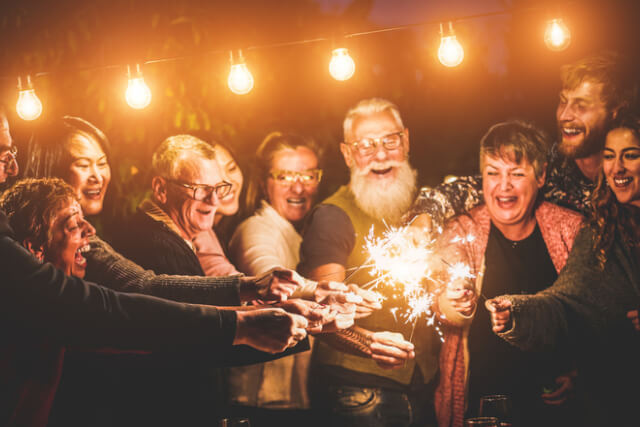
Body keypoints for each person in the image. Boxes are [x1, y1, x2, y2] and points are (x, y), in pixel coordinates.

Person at [0, 112, 311, 426]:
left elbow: (146, 295)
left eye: (102, 161)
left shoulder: (91, 243)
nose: (12, 167)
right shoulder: (147, 244)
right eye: (83, 164)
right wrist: (250, 320)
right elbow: (131, 314)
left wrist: (266, 303)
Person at [486, 112, 640, 426]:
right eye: (609, 156)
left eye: (631, 155)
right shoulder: (601, 233)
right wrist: (515, 312)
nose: (617, 167)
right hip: (619, 405)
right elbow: (566, 305)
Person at [298, 98, 440, 427]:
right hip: (359, 394)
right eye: (366, 145)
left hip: (422, 386)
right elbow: (325, 310)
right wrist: (370, 345)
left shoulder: (425, 206)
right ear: (348, 154)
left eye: (390, 140)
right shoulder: (332, 217)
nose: (380, 154)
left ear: (405, 141)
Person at [432, 121, 584, 427]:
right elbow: (446, 308)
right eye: (493, 173)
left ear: (541, 177)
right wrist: (455, 302)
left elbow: (595, 315)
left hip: (555, 410)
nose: (504, 186)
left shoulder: (572, 229)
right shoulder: (461, 230)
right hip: (482, 408)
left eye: (516, 174)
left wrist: (580, 373)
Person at [407, 51, 636, 229]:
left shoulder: (631, 173)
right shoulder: (552, 168)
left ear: (615, 112)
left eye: (581, 105)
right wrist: (425, 216)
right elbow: (474, 187)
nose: (565, 115)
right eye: (563, 101)